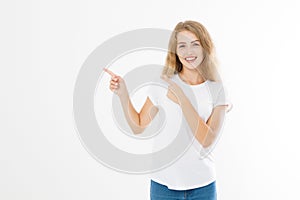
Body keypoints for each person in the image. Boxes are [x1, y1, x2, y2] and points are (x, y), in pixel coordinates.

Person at [104, 20, 231, 200]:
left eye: (195, 44)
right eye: (182, 46)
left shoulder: (217, 89)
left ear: (205, 47)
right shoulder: (162, 83)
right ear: (175, 51)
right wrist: (123, 95)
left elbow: (207, 140)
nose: (189, 52)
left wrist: (182, 98)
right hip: (163, 185)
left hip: (203, 186)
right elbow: (138, 126)